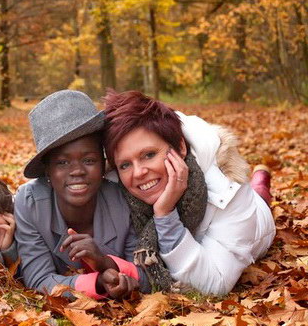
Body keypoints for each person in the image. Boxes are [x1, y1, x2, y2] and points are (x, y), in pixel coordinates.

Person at [102, 90, 275, 295]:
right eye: (124, 165)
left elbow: (214, 285)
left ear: (181, 147)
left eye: (149, 155)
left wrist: (165, 215)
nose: (139, 173)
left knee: (260, 196)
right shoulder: (115, 189)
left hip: (259, 222)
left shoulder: (228, 192)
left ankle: (261, 180)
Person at [15, 90, 149, 299]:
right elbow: (39, 279)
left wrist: (104, 261)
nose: (77, 171)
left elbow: (146, 274)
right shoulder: (30, 203)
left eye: (89, 160)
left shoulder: (123, 200)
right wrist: (98, 283)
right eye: (62, 162)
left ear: (103, 165)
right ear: (47, 170)